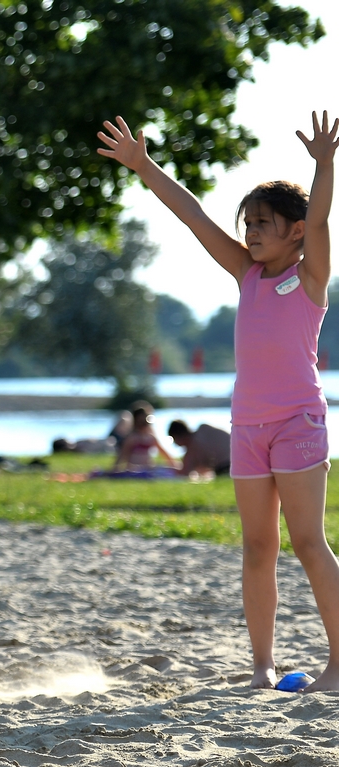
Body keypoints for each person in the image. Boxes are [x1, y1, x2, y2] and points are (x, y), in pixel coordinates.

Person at [99, 111, 339, 691]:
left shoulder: (311, 277)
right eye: (248, 223)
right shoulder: (245, 273)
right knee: (258, 547)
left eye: (263, 224)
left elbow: (323, 215)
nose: (251, 233)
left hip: (299, 423)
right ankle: (262, 667)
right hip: (248, 429)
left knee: (308, 542)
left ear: (296, 231)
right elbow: (192, 216)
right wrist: (143, 166)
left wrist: (325, 165)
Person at [112, 401, 178, 471]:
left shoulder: (150, 438)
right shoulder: (132, 438)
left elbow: (165, 453)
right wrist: (115, 470)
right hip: (134, 470)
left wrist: (175, 466)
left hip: (148, 468)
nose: (143, 425)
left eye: (145, 422)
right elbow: (122, 456)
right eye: (140, 422)